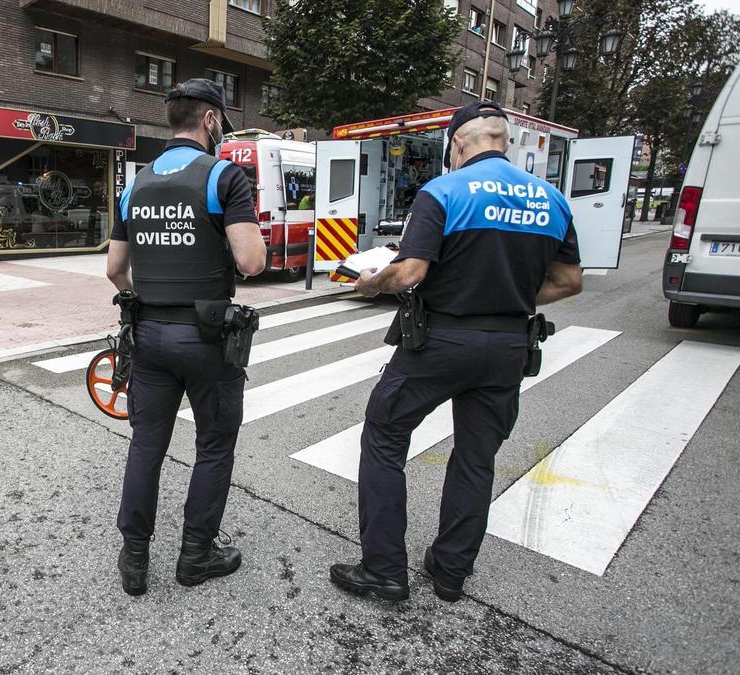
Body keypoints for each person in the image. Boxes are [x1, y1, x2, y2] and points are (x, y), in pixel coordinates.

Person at [329, 100, 584, 603]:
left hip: (440, 342)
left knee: (384, 436)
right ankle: (449, 573)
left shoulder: (444, 190)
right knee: (475, 458)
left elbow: (410, 272)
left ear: (459, 143)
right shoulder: (551, 198)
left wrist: (368, 283)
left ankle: (383, 569)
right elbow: (570, 281)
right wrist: (506, 293)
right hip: (509, 344)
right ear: (503, 140)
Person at [106, 78, 266, 596]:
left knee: (146, 445)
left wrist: (148, 293)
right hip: (207, 338)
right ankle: (195, 556)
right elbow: (251, 261)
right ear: (211, 120)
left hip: (148, 334)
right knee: (214, 446)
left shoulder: (136, 183)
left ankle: (134, 559)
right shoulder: (224, 176)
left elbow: (114, 269)